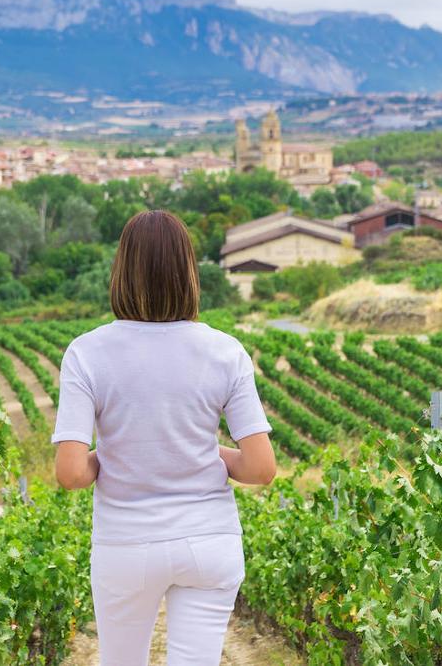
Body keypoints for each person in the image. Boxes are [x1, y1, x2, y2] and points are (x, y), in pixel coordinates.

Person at [51, 210, 276, 665]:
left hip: (125, 544)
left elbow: (72, 474)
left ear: (121, 271)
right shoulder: (225, 352)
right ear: (189, 273)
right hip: (209, 543)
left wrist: (111, 454)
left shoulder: (86, 353)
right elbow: (261, 468)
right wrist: (207, 452)